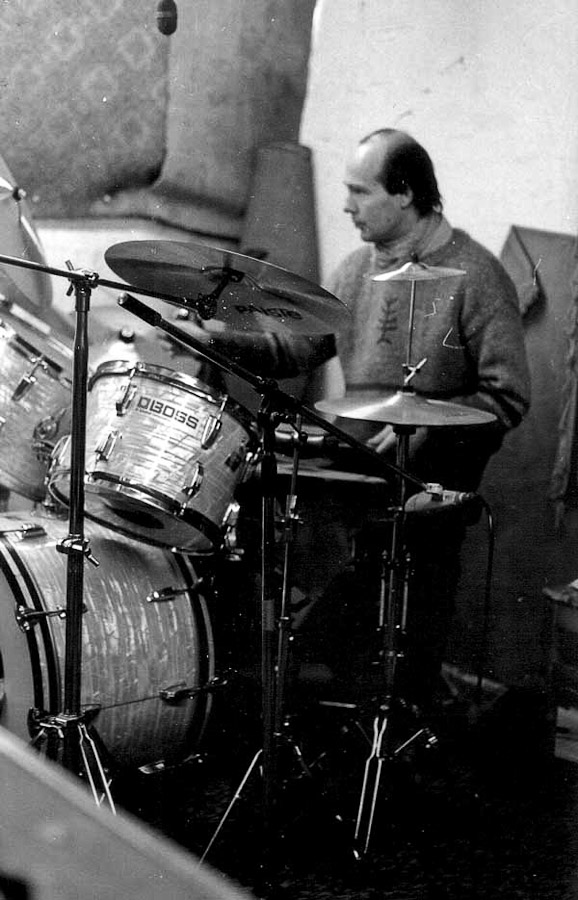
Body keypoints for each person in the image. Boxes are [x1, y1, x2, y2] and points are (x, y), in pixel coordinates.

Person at [294, 128, 531, 712]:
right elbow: (297, 347)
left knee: (382, 639)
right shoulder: (355, 270)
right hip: (354, 474)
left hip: (426, 488)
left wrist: (428, 430)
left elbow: (508, 396)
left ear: (404, 194)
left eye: (360, 191)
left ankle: (392, 726)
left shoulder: (477, 275)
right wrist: (213, 335)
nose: (346, 206)